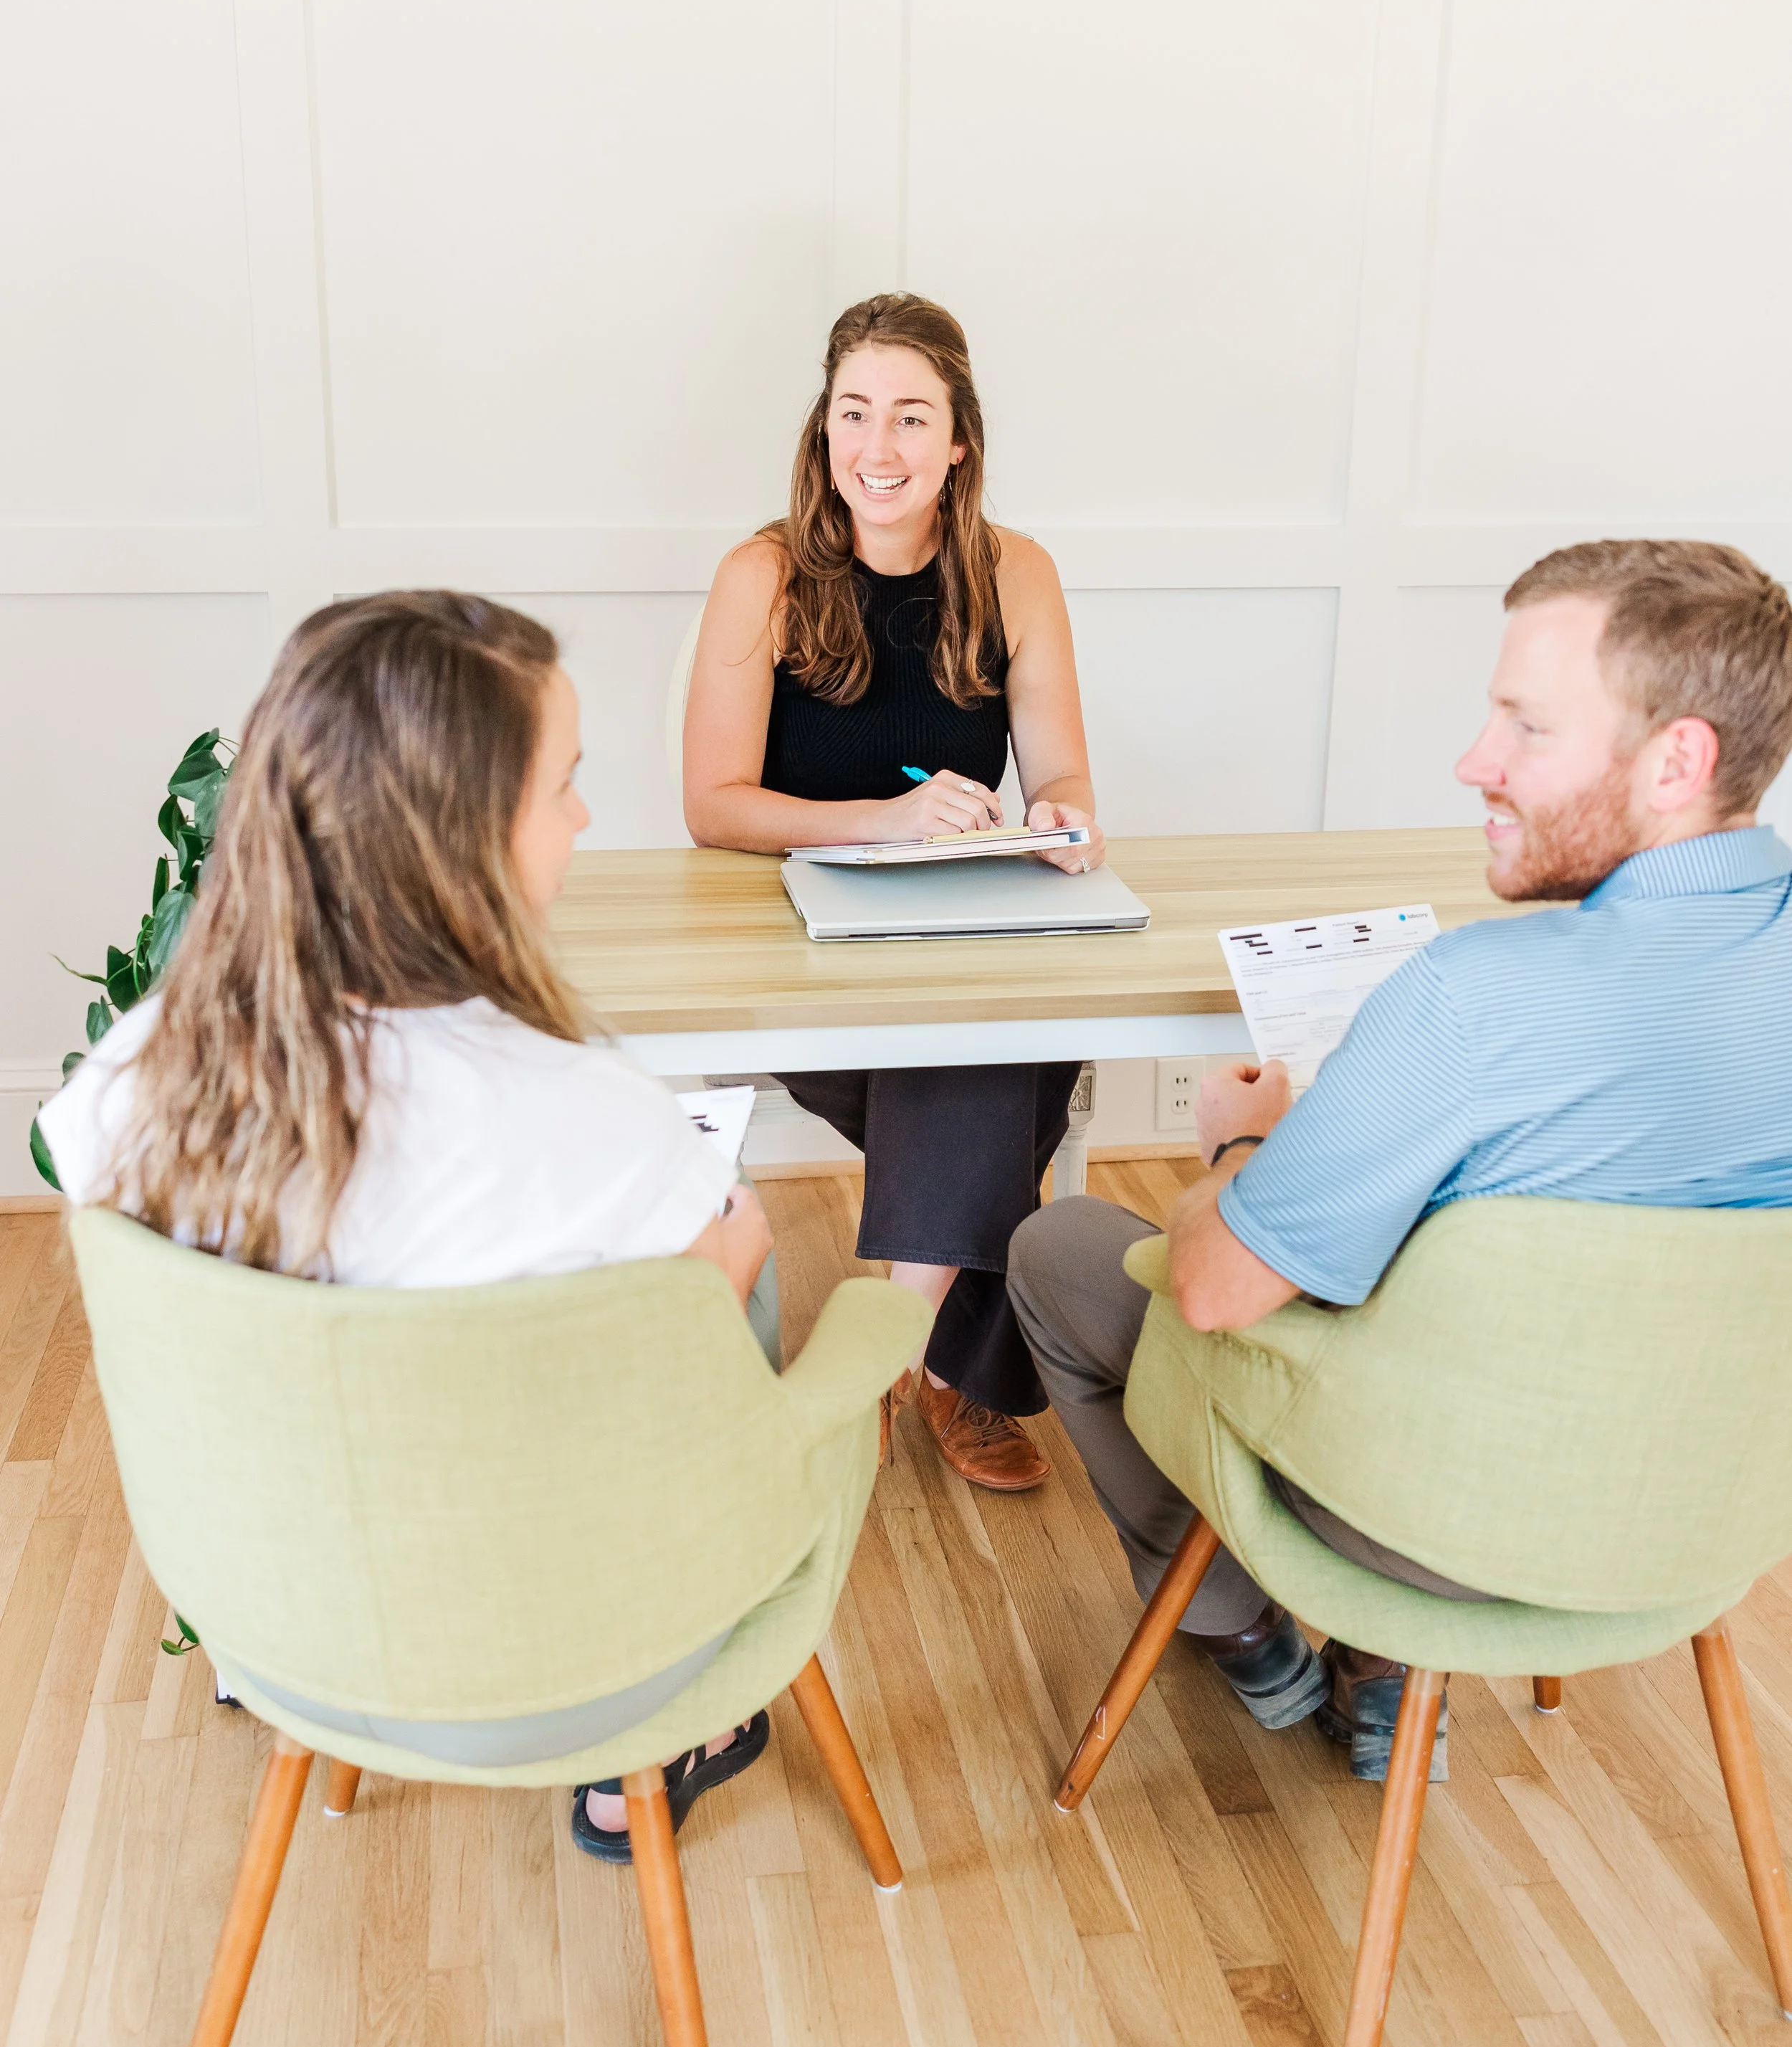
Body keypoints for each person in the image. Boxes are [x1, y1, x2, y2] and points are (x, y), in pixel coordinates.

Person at [1009, 538, 1792, 1777]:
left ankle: (1245, 1633)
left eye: (1527, 726)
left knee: (1062, 1248)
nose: (1476, 760)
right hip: (1714, 1522)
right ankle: (1379, 1683)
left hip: (1432, 1523)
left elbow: (1215, 1291)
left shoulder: (1469, 998)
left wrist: (1245, 1145)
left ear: (1678, 761)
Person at [39, 589, 796, 1863]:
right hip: (573, 1673)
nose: (586, 820)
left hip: (281, 1642)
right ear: (463, 840)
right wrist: (739, 1241)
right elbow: (695, 1337)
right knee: (743, 1267)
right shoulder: (590, 1115)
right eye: (564, 787)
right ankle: (662, 1750)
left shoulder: (139, 1070)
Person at [684, 293, 1104, 1492]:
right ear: (823, 429)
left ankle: (889, 1353)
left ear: (960, 440)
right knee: (991, 1061)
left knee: (995, 1032)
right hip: (794, 951)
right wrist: (880, 821)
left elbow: (1062, 772)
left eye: (913, 417)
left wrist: (1062, 816)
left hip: (963, 931)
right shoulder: (763, 574)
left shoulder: (1017, 573)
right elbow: (714, 804)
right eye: (855, 413)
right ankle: (944, 1369)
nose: (880, 446)